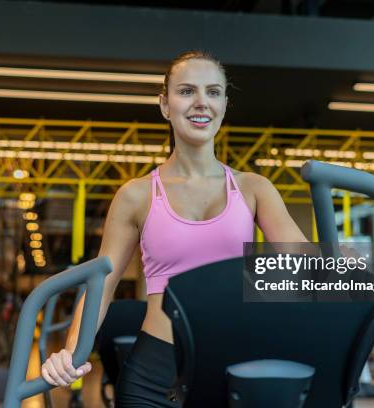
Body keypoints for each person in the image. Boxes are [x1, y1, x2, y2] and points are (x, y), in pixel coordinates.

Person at [41, 50, 308, 406]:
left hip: (231, 369)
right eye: (187, 91)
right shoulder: (136, 195)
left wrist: (372, 275)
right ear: (165, 105)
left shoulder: (254, 189)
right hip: (154, 373)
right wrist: (71, 352)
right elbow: (102, 284)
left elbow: (307, 268)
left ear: (225, 104)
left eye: (213, 92)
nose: (201, 103)